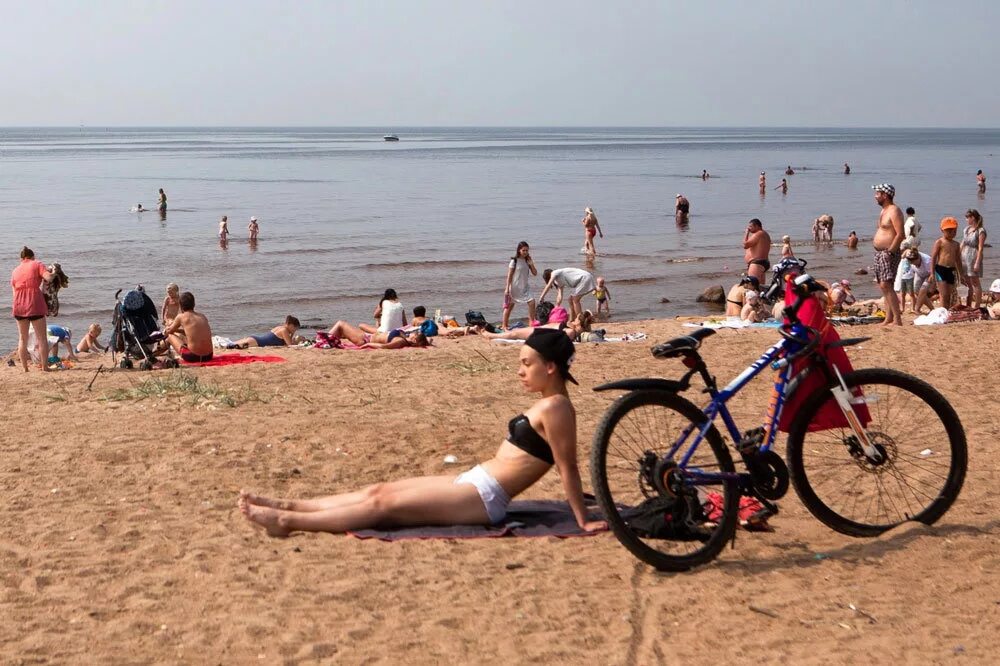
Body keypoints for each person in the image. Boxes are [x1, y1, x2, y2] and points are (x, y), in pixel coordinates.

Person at [239, 328, 605, 536]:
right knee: (378, 491)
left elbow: (567, 467)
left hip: (485, 499)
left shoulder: (558, 408)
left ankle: (289, 522)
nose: (520, 371)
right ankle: (290, 505)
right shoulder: (549, 403)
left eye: (527, 364)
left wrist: (582, 519)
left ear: (551, 367)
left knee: (384, 507)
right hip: (475, 481)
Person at [10, 246, 53, 372]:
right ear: (32, 256)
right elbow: (48, 278)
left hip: (18, 305)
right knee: (42, 338)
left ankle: (25, 368)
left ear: (21, 258)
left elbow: (14, 292)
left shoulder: (15, 270)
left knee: (23, 338)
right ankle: (45, 367)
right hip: (34, 303)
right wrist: (54, 273)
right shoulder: (37, 264)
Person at [871, 183, 905, 326]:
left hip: (888, 252)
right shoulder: (883, 211)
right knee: (883, 285)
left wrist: (890, 251)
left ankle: (897, 319)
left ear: (885, 195)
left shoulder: (894, 211)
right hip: (880, 253)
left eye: (877, 193)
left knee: (886, 284)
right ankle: (889, 317)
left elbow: (900, 234)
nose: (875, 196)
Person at [162, 292, 214, 363]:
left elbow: (169, 331)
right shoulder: (202, 316)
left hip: (194, 357)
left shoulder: (181, 317)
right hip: (209, 356)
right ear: (194, 304)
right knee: (184, 336)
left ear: (180, 306)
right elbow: (192, 332)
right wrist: (178, 331)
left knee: (170, 336)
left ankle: (154, 353)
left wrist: (167, 328)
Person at [480, 311, 593, 343]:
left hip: (539, 333)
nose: (574, 319)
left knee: (514, 334)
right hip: (540, 330)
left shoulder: (571, 332)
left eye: (577, 319)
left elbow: (554, 339)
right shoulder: (571, 329)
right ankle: (497, 332)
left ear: (579, 323)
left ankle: (490, 335)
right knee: (515, 331)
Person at [930, 217, 967, 311]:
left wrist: (961, 274)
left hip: (951, 270)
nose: (951, 233)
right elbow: (933, 257)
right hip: (940, 269)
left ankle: (946, 311)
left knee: (949, 295)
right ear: (942, 230)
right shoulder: (940, 242)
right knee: (944, 294)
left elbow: (958, 260)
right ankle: (943, 312)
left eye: (954, 231)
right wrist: (931, 273)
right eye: (949, 231)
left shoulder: (956, 244)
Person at [502, 241, 538, 330]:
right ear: (519, 250)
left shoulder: (527, 260)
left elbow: (535, 273)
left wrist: (531, 264)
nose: (525, 252)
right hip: (515, 287)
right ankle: (504, 325)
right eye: (523, 250)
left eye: (527, 250)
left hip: (525, 287)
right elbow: (509, 275)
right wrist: (507, 288)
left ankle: (531, 323)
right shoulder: (514, 261)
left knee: (532, 302)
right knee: (510, 306)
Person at [327, 319, 428, 349]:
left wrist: (368, 345)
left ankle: (322, 341)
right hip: (368, 336)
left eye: (416, 334)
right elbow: (427, 340)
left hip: (365, 340)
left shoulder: (400, 341)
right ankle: (326, 340)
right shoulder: (404, 338)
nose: (414, 332)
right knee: (342, 331)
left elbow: (383, 346)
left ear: (414, 340)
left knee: (341, 324)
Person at [961, 209, 987, 308]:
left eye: (967, 217)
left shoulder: (981, 231)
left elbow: (980, 248)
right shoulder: (967, 229)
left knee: (975, 282)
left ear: (973, 218)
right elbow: (962, 243)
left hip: (974, 256)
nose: (966, 219)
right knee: (967, 282)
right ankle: (968, 304)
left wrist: (977, 262)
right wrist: (957, 256)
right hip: (964, 256)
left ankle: (977, 305)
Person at [894, 248, 932, 314]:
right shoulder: (910, 256)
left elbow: (932, 272)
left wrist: (932, 283)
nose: (913, 264)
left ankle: (917, 309)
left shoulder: (927, 261)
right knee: (916, 291)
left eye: (914, 262)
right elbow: (906, 250)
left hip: (929, 274)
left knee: (923, 289)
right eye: (911, 262)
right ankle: (932, 308)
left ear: (918, 259)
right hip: (919, 273)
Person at [230, 316, 302, 349]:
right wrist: (292, 334)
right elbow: (289, 345)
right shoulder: (284, 330)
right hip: (257, 342)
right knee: (232, 346)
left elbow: (285, 342)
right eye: (295, 328)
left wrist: (292, 333)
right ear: (291, 325)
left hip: (254, 339)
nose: (295, 330)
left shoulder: (280, 327)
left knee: (230, 344)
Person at [743, 218, 772, 282]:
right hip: (763, 262)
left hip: (756, 263)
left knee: (753, 286)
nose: (749, 228)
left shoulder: (758, 234)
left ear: (756, 226)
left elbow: (745, 245)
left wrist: (746, 233)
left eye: (750, 226)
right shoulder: (765, 234)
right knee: (760, 287)